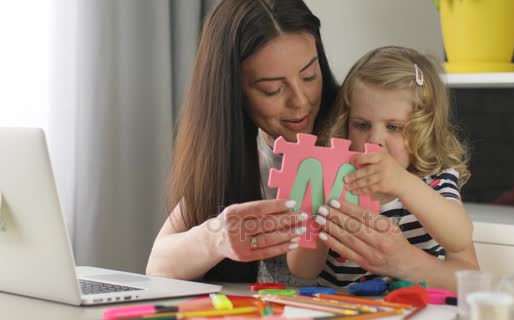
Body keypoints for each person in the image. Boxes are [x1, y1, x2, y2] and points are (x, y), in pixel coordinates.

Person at [146, 0, 340, 284]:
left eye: (310, 75)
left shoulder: (360, 132)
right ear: (232, 92)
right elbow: (158, 266)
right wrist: (217, 237)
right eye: (272, 89)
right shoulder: (237, 157)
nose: (300, 102)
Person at [288, 47, 479, 292]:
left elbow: (460, 236)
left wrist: (403, 184)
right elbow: (302, 269)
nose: (374, 139)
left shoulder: (434, 181)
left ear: (423, 129)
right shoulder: (332, 177)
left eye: (393, 127)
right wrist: (321, 209)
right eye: (362, 124)